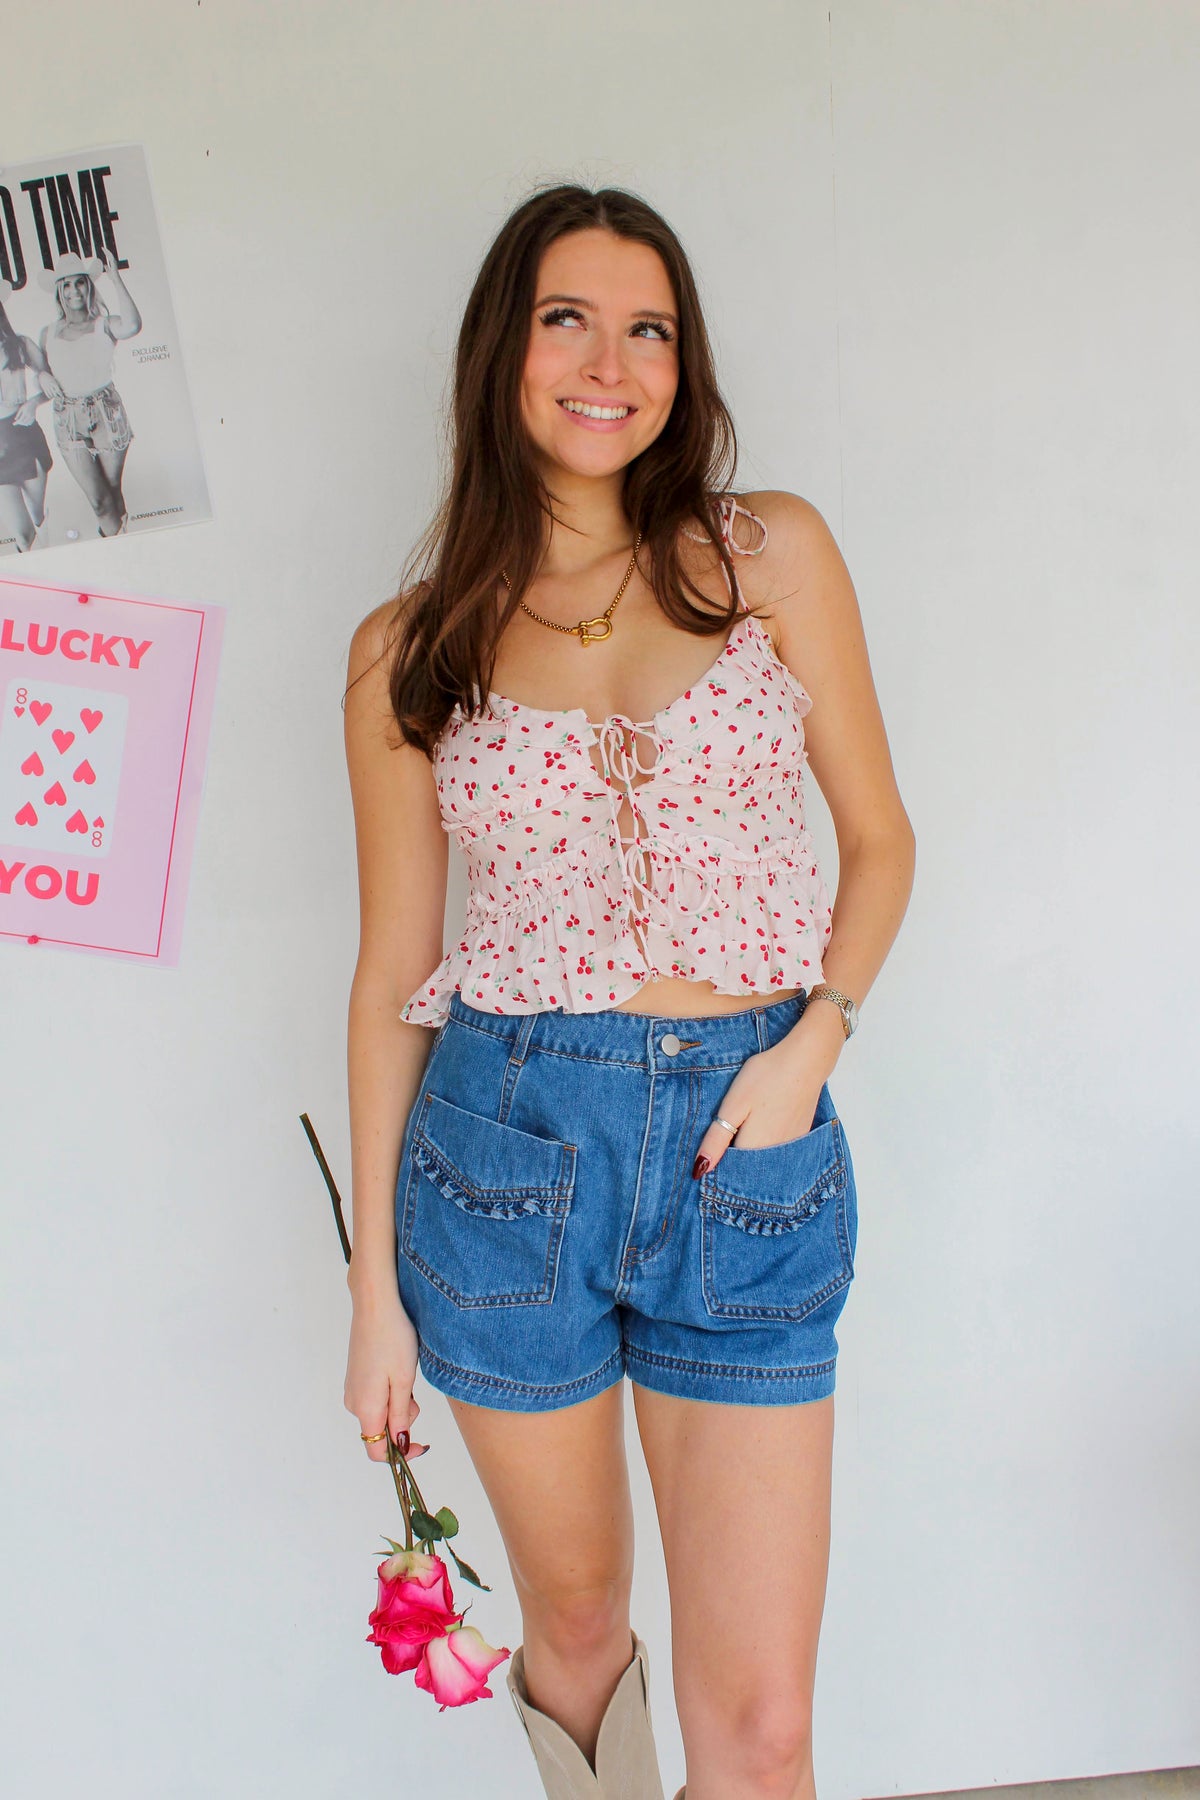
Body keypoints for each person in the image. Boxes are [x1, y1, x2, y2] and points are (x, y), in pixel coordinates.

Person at [341, 184, 915, 1800]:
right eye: (568, 321)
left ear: (685, 362)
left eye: (648, 329)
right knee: (581, 1631)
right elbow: (392, 978)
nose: (612, 364)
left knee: (765, 1728)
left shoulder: (769, 555)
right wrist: (374, 1291)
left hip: (752, 1146)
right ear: (503, 353)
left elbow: (881, 841)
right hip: (505, 1158)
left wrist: (813, 1043)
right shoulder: (410, 648)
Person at [37, 249, 141, 538]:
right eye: (67, 285)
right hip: (68, 418)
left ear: (89, 286)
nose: (74, 291)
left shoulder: (103, 324)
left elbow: (133, 326)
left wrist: (115, 278)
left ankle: (119, 542)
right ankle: (120, 539)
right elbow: (39, 370)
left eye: (80, 283)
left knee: (111, 492)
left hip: (106, 412)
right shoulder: (48, 332)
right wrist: (42, 375)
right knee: (99, 501)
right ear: (59, 292)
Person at [0, 284, 55, 553]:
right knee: (22, 536)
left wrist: (34, 402)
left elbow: (53, 383)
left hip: (23, 436)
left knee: (38, 519)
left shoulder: (20, 344)